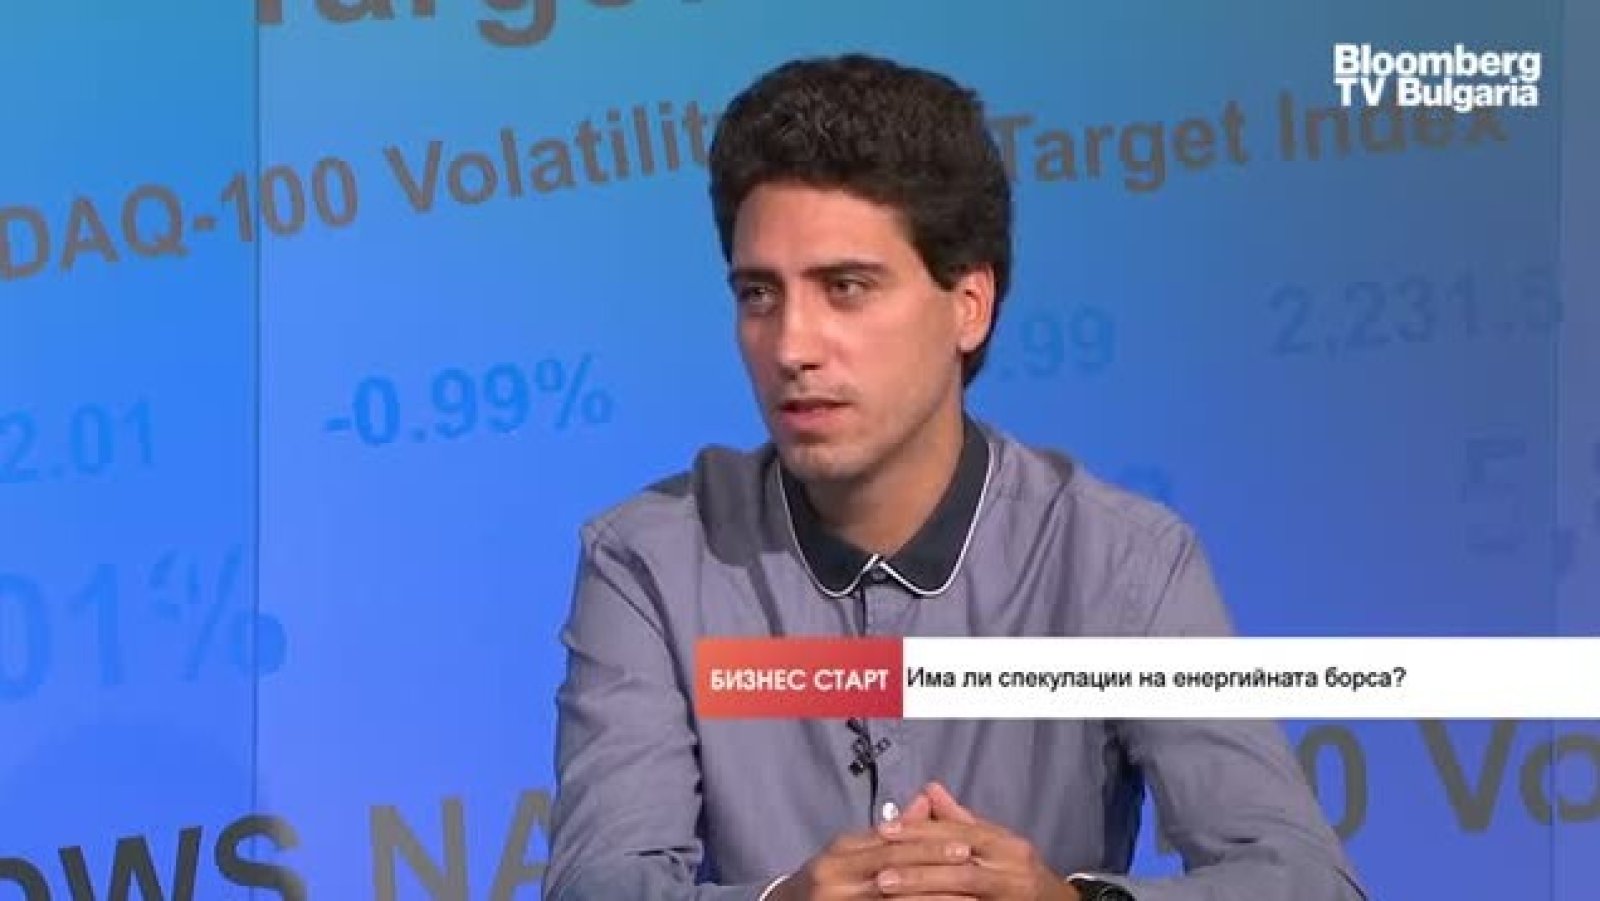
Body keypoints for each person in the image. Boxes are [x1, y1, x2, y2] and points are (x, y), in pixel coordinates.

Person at [542, 53, 1368, 901]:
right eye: (759, 294)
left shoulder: (1123, 561)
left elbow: (1308, 881)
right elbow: (595, 884)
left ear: (969, 306)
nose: (791, 345)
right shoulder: (649, 560)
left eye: (845, 287)